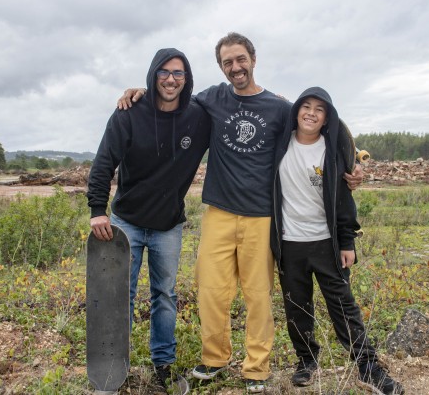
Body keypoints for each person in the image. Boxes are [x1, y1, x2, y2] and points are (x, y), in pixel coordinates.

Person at [118, 33, 364, 393]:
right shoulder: (212, 98)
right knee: (211, 291)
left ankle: (256, 368)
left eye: (240, 59)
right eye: (227, 62)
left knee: (258, 294)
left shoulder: (280, 109)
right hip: (218, 211)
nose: (235, 67)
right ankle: (215, 358)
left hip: (262, 215)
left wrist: (352, 166)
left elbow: (322, 129)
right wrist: (138, 92)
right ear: (221, 67)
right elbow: (173, 98)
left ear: (253, 58)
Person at [87, 48, 210, 394]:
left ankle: (164, 366)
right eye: (164, 73)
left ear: (186, 79)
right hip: (125, 222)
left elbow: (235, 106)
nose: (171, 79)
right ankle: (112, 370)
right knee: (118, 294)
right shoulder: (129, 113)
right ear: (153, 75)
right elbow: (103, 162)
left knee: (165, 296)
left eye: (178, 73)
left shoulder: (199, 117)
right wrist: (98, 210)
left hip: (168, 225)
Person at [271, 87, 405, 394]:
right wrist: (279, 98)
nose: (311, 113)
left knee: (344, 308)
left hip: (326, 243)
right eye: (305, 106)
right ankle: (306, 361)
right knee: (297, 308)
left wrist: (347, 242)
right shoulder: (280, 144)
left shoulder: (333, 150)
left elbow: (345, 199)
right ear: (296, 112)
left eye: (319, 109)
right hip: (289, 244)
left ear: (327, 117)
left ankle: (367, 367)